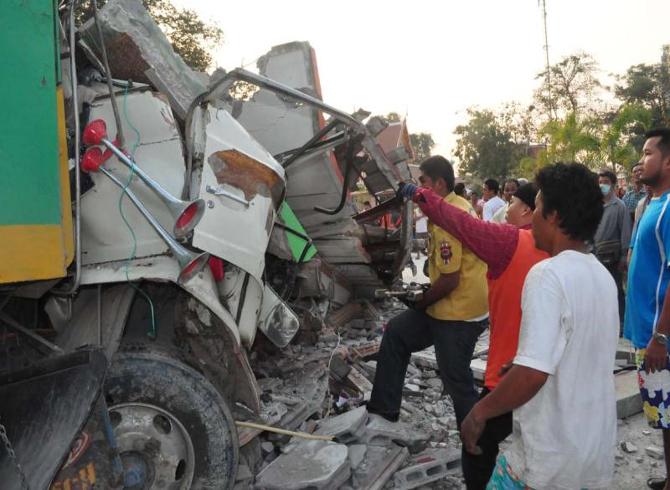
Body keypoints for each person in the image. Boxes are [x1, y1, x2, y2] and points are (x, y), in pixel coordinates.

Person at [460, 162, 619, 489]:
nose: (531, 218)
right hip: (594, 456)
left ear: (555, 216)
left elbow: (533, 375)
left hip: (548, 463)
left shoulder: (547, 274)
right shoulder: (602, 277)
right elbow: (577, 355)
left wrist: (480, 413)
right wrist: (520, 365)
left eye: (539, 207)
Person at [399, 181, 548, 489]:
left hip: (510, 376)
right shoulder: (578, 261)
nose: (506, 208)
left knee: (476, 441)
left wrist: (418, 194)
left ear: (530, 211)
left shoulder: (510, 243)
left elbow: (460, 224)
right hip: (545, 379)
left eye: (513, 203)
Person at [367, 156, 489, 430]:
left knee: (456, 379)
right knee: (397, 334)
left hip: (459, 312)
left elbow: (450, 279)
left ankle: (476, 442)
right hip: (451, 305)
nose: (418, 187)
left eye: (422, 182)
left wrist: (420, 301)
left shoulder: (448, 217)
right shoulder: (454, 206)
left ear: (439, 183)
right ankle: (383, 413)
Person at [624, 129, 670, 490]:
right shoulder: (652, 203)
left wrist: (660, 337)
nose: (642, 160)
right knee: (663, 416)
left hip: (661, 338)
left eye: (648, 152)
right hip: (648, 334)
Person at [594, 169, 632, 330]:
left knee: (616, 289)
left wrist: (624, 256)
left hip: (612, 256)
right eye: (600, 182)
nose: (602, 185)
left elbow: (625, 231)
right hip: (594, 254)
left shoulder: (619, 206)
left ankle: (621, 322)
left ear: (613, 185)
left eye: (606, 182)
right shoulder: (594, 205)